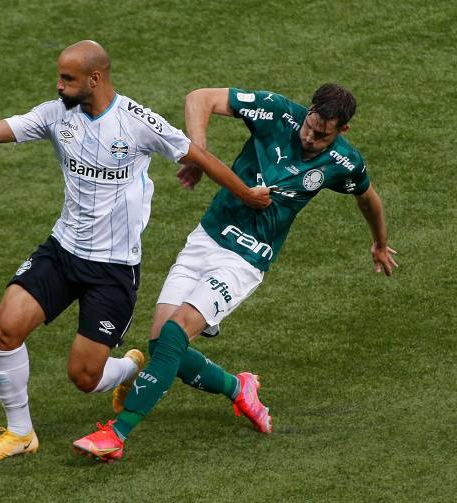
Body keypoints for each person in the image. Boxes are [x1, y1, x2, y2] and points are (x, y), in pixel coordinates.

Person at [0, 41, 270, 462]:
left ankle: (131, 368)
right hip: (61, 251)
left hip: (112, 270)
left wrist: (246, 194)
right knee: (5, 329)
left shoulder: (136, 122)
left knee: (83, 376)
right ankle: (20, 433)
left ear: (95, 78)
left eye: (67, 78)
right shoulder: (56, 115)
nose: (58, 85)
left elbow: (198, 155)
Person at [73, 83, 398, 462]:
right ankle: (238, 387)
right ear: (308, 110)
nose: (310, 137)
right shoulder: (276, 112)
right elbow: (199, 98)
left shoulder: (344, 162)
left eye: (322, 135)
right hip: (206, 237)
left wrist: (379, 242)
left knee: (177, 331)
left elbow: (367, 197)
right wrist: (198, 153)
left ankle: (117, 434)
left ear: (342, 131)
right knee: (162, 346)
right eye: (310, 125)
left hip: (245, 260)